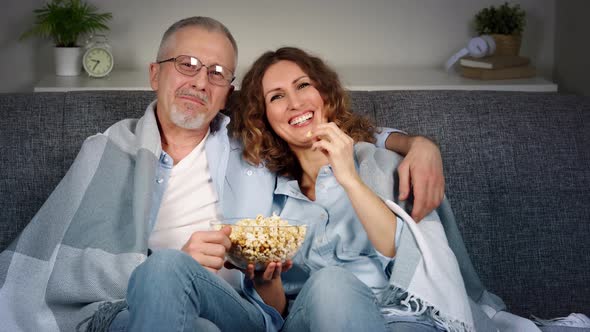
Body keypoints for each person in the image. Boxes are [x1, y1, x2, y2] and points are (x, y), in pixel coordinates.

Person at [0, 17, 447, 332]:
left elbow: (327, 126)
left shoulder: (247, 144)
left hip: (245, 308)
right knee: (168, 270)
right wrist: (159, 264)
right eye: (186, 64)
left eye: (216, 73)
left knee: (327, 285)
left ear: (227, 93)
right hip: (159, 293)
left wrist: (418, 144)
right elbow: (50, 260)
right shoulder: (107, 151)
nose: (200, 81)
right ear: (155, 74)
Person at [234, 47, 545, 332]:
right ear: (264, 119)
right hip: (316, 318)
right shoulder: (275, 202)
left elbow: (401, 252)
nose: (295, 102)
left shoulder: (379, 164)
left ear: (324, 95)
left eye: (303, 85)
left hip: (401, 316)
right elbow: (278, 310)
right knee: (331, 283)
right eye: (276, 97)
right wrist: (265, 281)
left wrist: (349, 179)